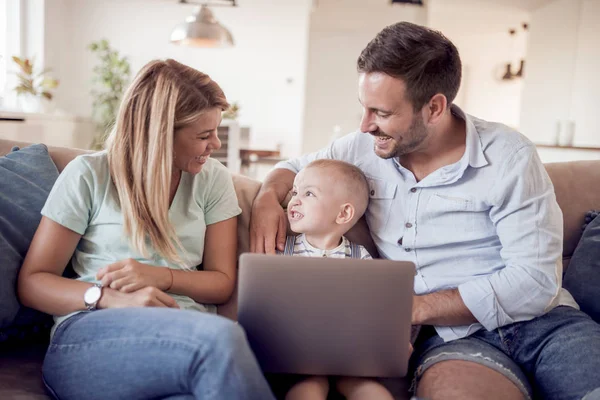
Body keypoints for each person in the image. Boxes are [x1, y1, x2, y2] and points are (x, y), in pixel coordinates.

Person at [250, 22, 600, 400]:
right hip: (457, 340)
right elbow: (292, 167)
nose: (366, 125)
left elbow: (534, 281)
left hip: (549, 326)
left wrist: (412, 307)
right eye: (363, 108)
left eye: (381, 112)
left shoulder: (510, 155)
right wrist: (269, 194)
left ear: (434, 107)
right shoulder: (362, 147)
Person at [17, 59, 275, 400]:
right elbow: (33, 281)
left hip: (186, 329)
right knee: (221, 338)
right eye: (203, 135)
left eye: (216, 130)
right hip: (92, 332)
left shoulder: (213, 179)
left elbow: (222, 282)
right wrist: (110, 299)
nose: (215, 144)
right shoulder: (89, 175)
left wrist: (160, 277)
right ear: (159, 134)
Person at [274, 159, 393, 400]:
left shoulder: (361, 258)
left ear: (344, 213)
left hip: (350, 352)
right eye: (295, 192)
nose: (294, 200)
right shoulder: (279, 253)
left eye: (309, 193)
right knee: (309, 388)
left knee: (371, 391)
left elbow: (375, 311)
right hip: (299, 353)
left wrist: (389, 339)